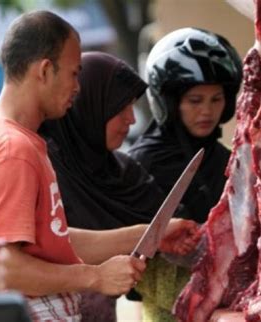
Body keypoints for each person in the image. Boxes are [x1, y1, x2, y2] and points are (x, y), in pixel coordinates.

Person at [0, 11, 198, 321]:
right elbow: (6, 264)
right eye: (74, 73)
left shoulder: (16, 140)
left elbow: (54, 240)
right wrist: (95, 276)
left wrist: (150, 233)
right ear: (45, 70)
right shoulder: (12, 149)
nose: (78, 87)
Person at [38, 51, 178, 321]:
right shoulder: (45, 171)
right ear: (89, 106)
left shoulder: (125, 173)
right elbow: (50, 246)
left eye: (132, 106)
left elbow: (165, 230)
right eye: (119, 107)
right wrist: (146, 234)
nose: (131, 119)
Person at [127, 28, 243, 322]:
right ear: (169, 102)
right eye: (195, 100)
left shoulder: (228, 160)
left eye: (216, 99)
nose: (207, 111)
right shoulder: (141, 165)